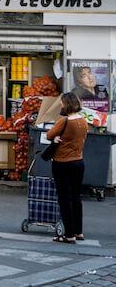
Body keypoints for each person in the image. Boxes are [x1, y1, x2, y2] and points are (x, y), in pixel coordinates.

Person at [47, 92, 88, 244]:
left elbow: (49, 135)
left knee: (64, 199)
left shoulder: (63, 121)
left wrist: (56, 138)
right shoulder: (83, 122)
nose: (61, 106)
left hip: (62, 163)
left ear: (67, 104)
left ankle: (69, 235)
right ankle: (79, 232)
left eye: (62, 103)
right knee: (76, 198)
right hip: (79, 162)